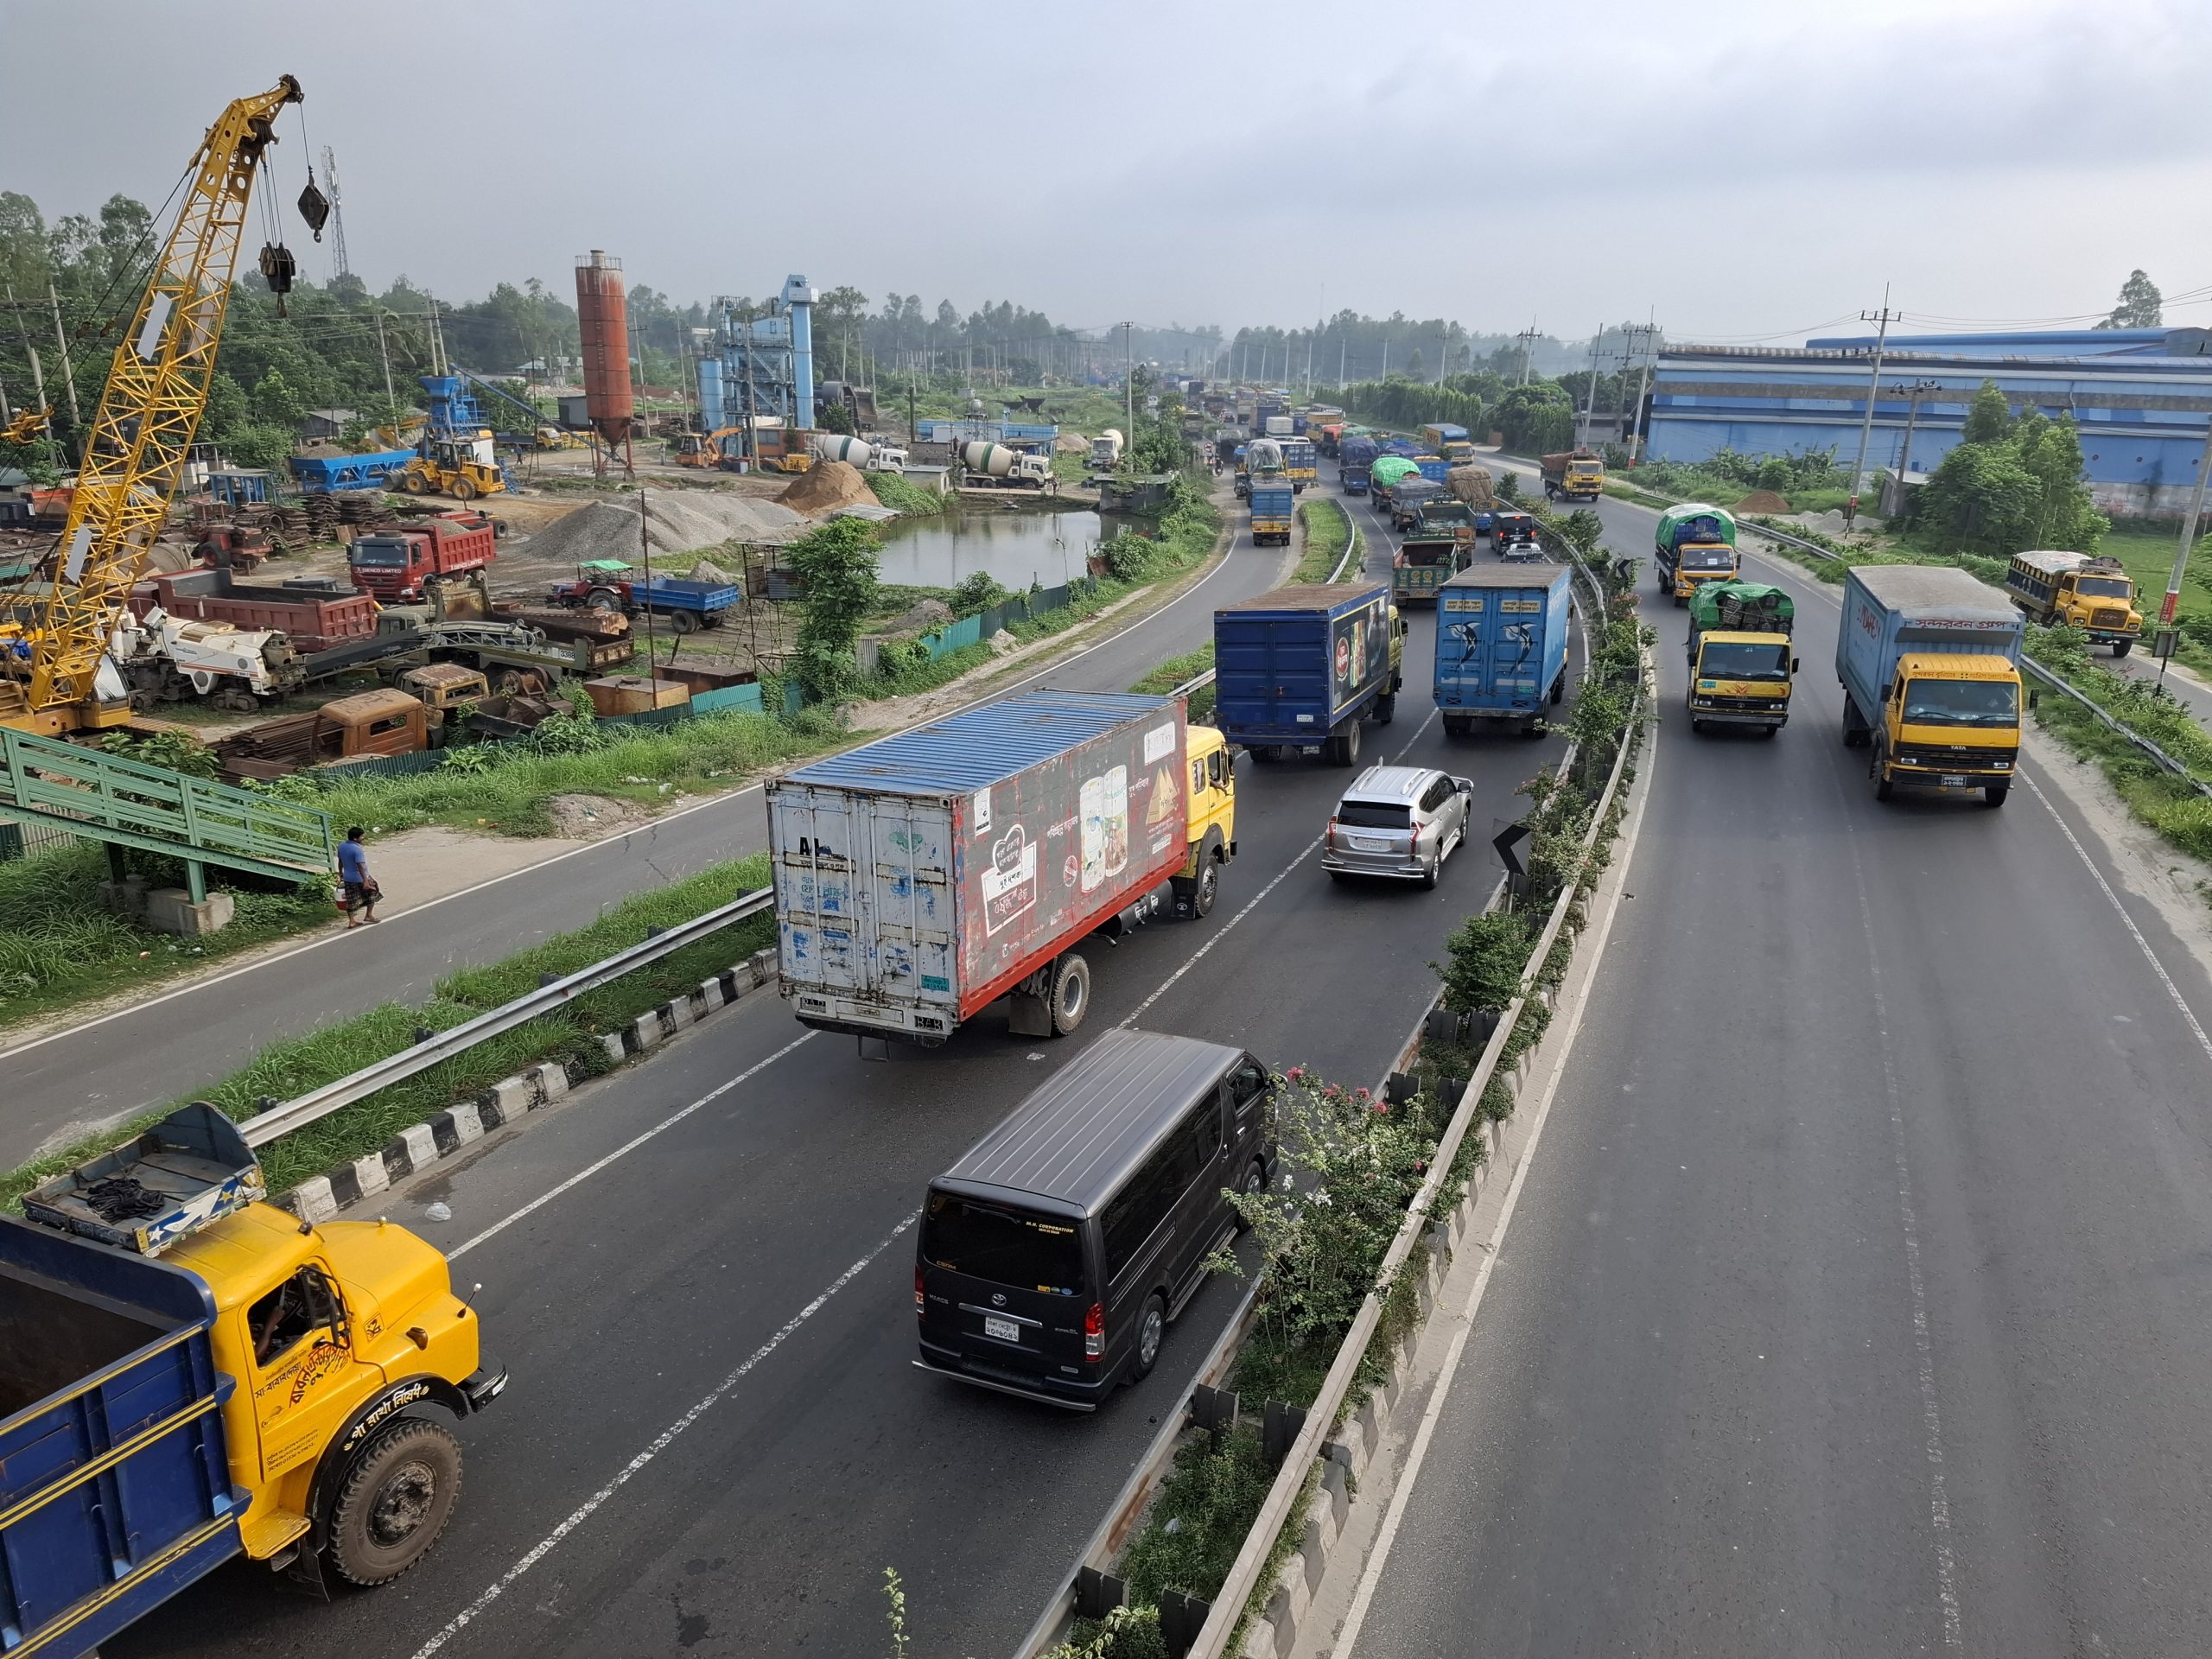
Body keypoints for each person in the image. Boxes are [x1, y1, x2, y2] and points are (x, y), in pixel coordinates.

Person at [338, 826, 380, 926]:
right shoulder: (357, 849)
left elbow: (340, 861)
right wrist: (366, 880)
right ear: (355, 838)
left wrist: (340, 873)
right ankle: (369, 915)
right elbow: (360, 865)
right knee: (373, 893)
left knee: (351, 899)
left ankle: (352, 921)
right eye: (361, 837)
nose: (363, 838)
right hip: (360, 877)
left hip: (348, 877)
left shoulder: (341, 846)